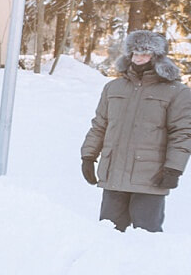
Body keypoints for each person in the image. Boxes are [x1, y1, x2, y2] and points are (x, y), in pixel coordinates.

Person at [81, 29, 191, 232]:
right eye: (135, 53)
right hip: (114, 177)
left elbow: (182, 134)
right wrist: (88, 155)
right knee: (107, 236)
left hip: (150, 178)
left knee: (146, 238)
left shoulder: (177, 92)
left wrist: (174, 168)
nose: (139, 58)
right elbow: (100, 126)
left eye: (145, 53)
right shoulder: (113, 88)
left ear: (157, 57)